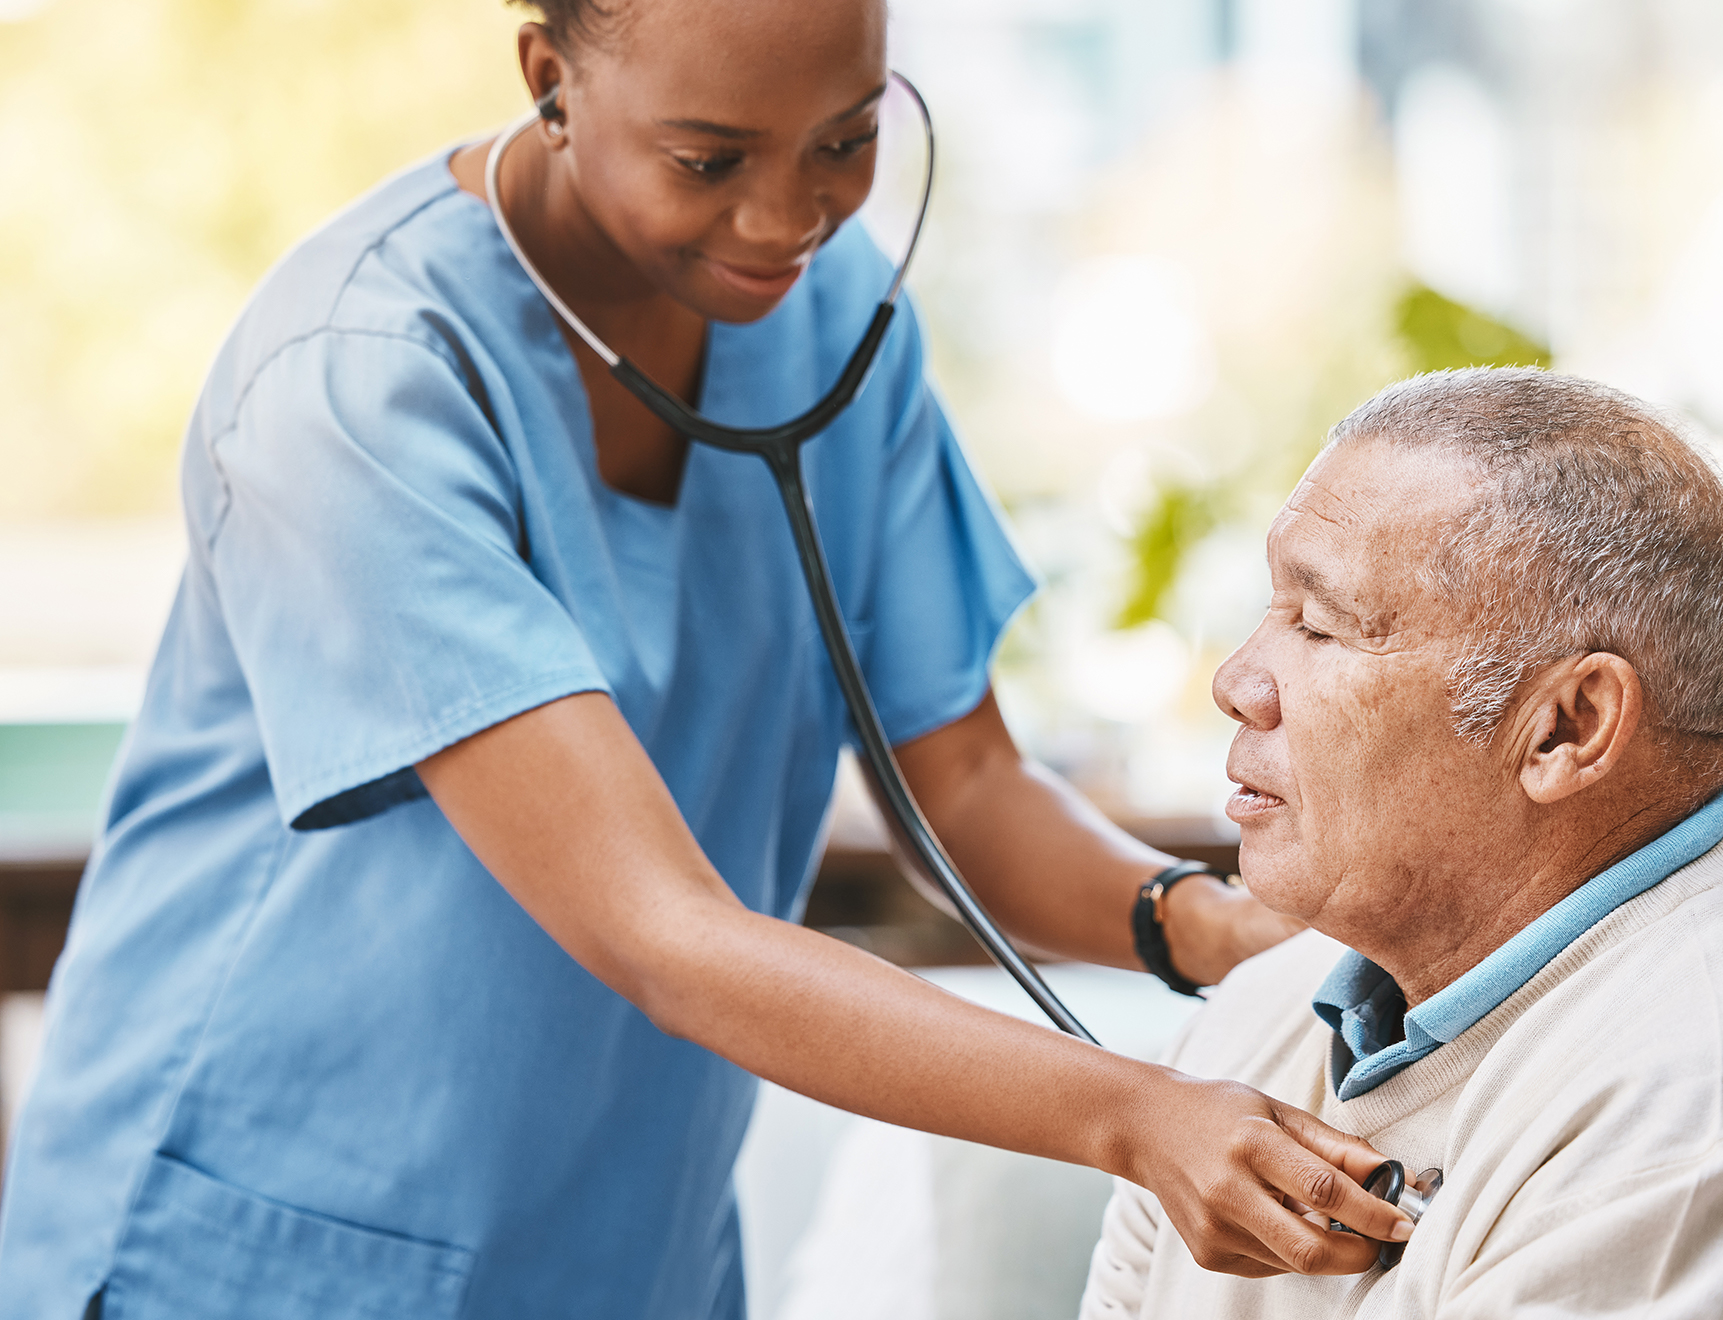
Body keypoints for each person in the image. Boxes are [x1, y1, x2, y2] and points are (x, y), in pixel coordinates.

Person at [0, 2, 1431, 1316]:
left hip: (619, 1237)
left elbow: (971, 784)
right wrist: (1137, 1117)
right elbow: (655, 928)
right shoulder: (357, 376)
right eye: (707, 158)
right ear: (549, 82)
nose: (785, 216)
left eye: (847, 139)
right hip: (266, 1239)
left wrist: (1210, 930)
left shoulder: (825, 312)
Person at [1079, 368, 1723, 1320]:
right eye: (1272, 611)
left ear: (1565, 727)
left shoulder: (1720, 1116)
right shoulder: (1258, 1017)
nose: (1238, 681)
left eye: (1318, 626)